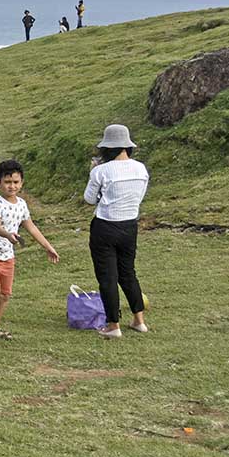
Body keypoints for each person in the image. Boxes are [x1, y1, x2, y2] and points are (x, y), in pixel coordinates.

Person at [0, 160, 60, 342]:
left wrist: (48, 247)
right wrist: (7, 234)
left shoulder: (21, 205)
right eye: (7, 182)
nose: (11, 186)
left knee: (5, 295)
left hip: (7, 255)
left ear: (21, 183)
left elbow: (31, 227)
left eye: (15, 182)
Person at [84, 124, 150, 338]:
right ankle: (139, 321)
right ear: (127, 147)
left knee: (107, 276)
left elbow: (89, 199)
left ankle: (113, 325)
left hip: (105, 226)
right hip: (130, 225)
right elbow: (139, 198)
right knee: (128, 272)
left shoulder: (100, 170)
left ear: (107, 148)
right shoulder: (141, 169)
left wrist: (92, 174)